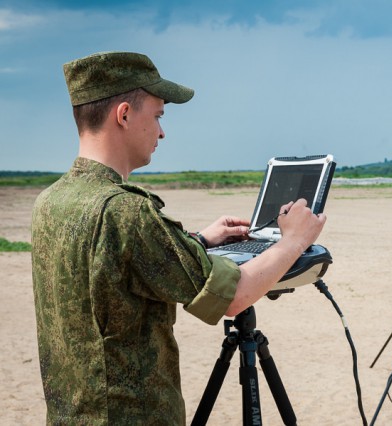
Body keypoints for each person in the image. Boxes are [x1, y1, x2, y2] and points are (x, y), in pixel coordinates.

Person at [31, 51, 326, 425]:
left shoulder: (51, 201)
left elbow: (110, 267)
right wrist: (294, 241)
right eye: (157, 116)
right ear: (123, 115)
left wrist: (198, 240)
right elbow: (233, 298)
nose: (162, 131)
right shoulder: (126, 211)